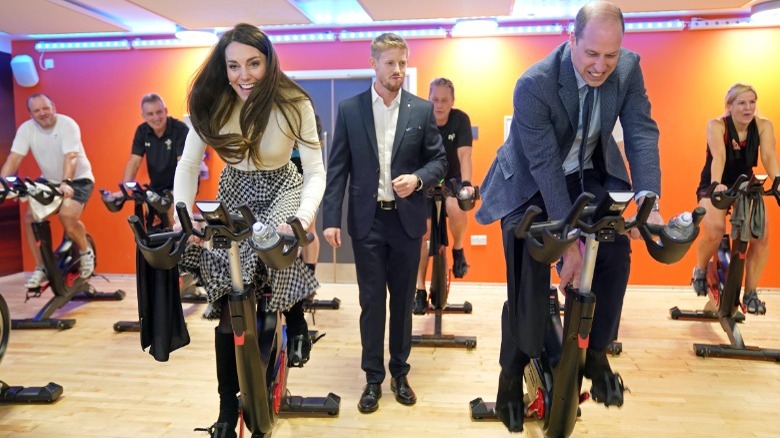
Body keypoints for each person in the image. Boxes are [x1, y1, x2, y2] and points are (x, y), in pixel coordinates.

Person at [475, 1, 663, 431]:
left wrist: (648, 202)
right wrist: (570, 248)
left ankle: (596, 355)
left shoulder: (629, 69)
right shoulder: (535, 84)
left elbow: (640, 131)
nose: (601, 66)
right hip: (529, 183)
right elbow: (543, 166)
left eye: (610, 56)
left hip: (586, 170)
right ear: (571, 39)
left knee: (614, 248)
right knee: (530, 280)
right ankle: (509, 378)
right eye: (591, 54)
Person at [172, 23, 325, 438]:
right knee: (229, 302)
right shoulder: (211, 103)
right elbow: (188, 165)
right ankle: (225, 408)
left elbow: (313, 170)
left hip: (282, 184)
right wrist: (181, 216)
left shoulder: (294, 103)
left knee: (276, 248)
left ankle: (296, 323)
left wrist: (300, 220)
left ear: (269, 62)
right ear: (223, 68)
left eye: (253, 63)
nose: (244, 75)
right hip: (234, 189)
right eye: (234, 65)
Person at [321, 33, 447, 414]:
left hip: (407, 222)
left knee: (404, 302)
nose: (398, 70)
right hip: (367, 221)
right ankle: (373, 379)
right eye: (391, 63)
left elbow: (439, 162)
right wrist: (331, 220)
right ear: (373, 63)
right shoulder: (350, 109)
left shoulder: (421, 110)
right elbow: (338, 168)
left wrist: (419, 179)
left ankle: (400, 373)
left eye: (403, 63)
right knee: (372, 303)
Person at [691, 83, 779, 314]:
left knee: (761, 238)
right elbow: (718, 156)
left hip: (746, 185)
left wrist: (778, 180)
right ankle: (700, 270)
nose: (748, 107)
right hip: (715, 181)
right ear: (730, 106)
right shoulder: (717, 125)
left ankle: (750, 293)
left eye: (752, 102)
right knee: (715, 230)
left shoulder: (763, 125)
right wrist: (716, 184)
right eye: (741, 103)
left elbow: (769, 156)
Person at [0, 93, 96, 288]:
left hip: (78, 180)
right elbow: (14, 158)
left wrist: (66, 181)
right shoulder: (26, 129)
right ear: (31, 114)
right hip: (49, 180)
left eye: (45, 108)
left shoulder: (67, 124)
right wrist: (2, 184)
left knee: (67, 217)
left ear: (53, 107)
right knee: (30, 218)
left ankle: (86, 252)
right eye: (37, 110)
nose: (42, 113)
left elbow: (71, 156)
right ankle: (41, 267)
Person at [414, 77, 474, 314]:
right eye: (435, 99)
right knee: (423, 235)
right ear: (429, 99)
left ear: (452, 102)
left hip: (452, 179)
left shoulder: (460, 120)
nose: (439, 105)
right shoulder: (420, 119)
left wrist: (467, 184)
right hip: (425, 179)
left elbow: (465, 156)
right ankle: (419, 289)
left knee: (456, 207)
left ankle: (458, 249)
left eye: (444, 100)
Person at [118, 93, 189, 225]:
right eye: (150, 114)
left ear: (165, 111)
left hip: (181, 183)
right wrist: (125, 188)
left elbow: (183, 165)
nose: (156, 117)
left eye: (159, 112)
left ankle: (181, 242)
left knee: (172, 215)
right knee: (151, 222)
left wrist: (176, 192)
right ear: (143, 116)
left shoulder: (179, 129)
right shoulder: (142, 131)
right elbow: (134, 162)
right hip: (157, 186)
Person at [291, 113, 323, 275]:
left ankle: (309, 276)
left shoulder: (311, 119)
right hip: (284, 185)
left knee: (308, 228)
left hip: (307, 185)